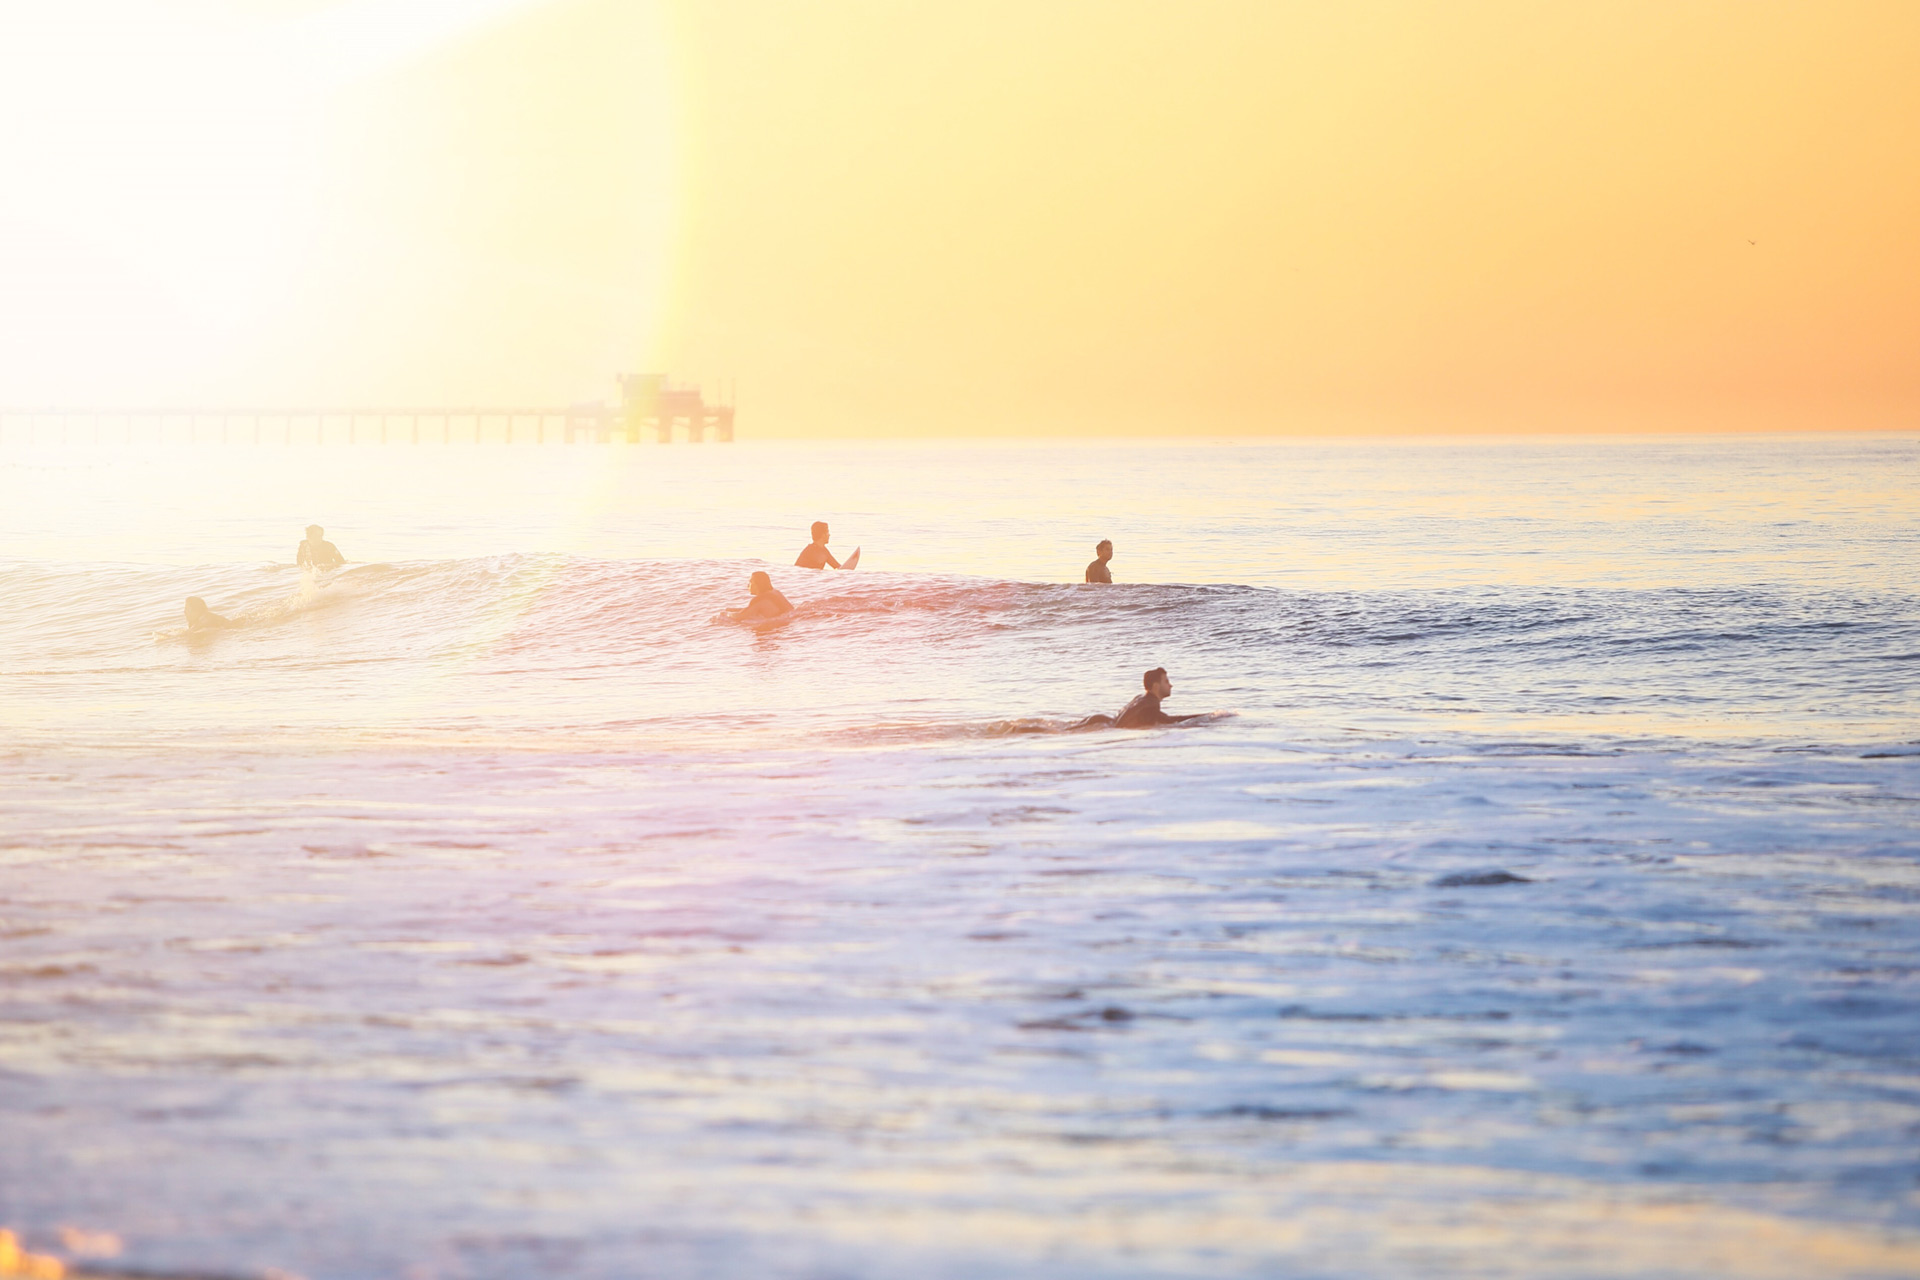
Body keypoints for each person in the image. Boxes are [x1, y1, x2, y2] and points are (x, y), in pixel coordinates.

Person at [1076, 667, 1203, 730]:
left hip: (1100, 720)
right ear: (1156, 686)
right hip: (1103, 724)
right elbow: (1169, 720)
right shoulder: (1151, 703)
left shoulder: (1141, 698)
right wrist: (1206, 717)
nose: (1171, 685)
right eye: (1166, 681)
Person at [729, 570, 794, 622]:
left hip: (777, 625)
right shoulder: (776, 592)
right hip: (790, 621)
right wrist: (733, 610)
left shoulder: (758, 600)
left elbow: (740, 617)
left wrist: (727, 614)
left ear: (757, 584)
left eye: (751, 582)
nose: (748, 585)